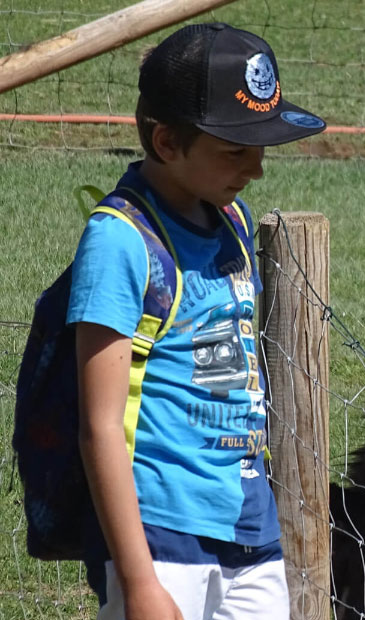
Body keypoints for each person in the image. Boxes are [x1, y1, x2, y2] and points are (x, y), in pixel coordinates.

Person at [71, 22, 325, 620]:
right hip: (161, 535)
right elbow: (99, 427)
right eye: (236, 151)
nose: (256, 170)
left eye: (261, 148)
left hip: (250, 527)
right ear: (166, 142)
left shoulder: (231, 218)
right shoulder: (121, 242)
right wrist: (138, 583)